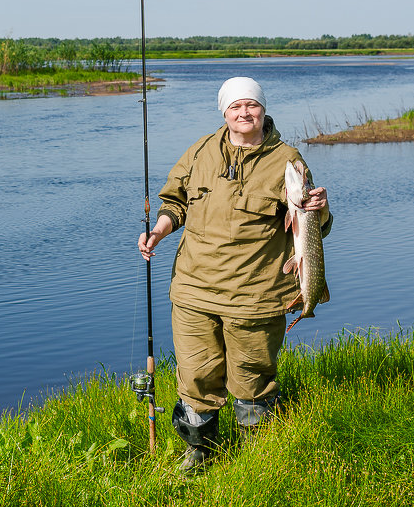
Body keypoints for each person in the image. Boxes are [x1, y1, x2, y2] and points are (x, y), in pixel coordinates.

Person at [137, 76, 331, 470]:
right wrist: (158, 229)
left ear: (263, 109)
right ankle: (200, 452)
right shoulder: (200, 152)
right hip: (194, 290)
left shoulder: (288, 160)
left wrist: (320, 209)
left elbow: (317, 225)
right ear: (224, 112)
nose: (245, 113)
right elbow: (174, 201)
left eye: (252, 105)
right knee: (195, 379)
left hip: (255, 294)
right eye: (235, 107)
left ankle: (258, 454)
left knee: (253, 381)